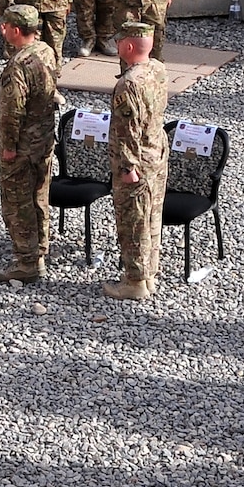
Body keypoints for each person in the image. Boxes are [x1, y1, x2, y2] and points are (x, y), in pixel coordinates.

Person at [102, 20, 169, 300]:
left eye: (119, 42)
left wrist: (128, 166)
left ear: (128, 46)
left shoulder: (128, 84)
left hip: (137, 160)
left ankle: (135, 282)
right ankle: (149, 274)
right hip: (156, 154)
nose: (117, 46)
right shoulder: (157, 69)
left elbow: (128, 130)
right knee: (152, 217)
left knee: (133, 221)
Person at [0, 5, 60, 283]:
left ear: (16, 31)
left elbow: (12, 111)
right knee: (39, 196)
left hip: (21, 145)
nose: (2, 30)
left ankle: (26, 262)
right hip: (43, 138)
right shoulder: (45, 51)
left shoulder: (18, 65)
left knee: (18, 202)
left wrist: (8, 146)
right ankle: (39, 249)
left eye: (5, 26)